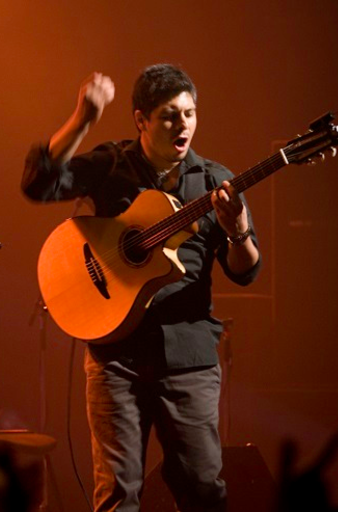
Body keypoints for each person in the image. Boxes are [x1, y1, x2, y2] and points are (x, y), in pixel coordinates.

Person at [21, 65, 261, 512]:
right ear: (141, 120)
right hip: (116, 356)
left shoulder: (215, 181)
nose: (182, 124)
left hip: (188, 356)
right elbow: (39, 183)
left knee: (204, 490)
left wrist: (239, 232)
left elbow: (245, 271)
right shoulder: (112, 164)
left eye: (189, 113)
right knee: (117, 496)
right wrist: (83, 118)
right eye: (169, 115)